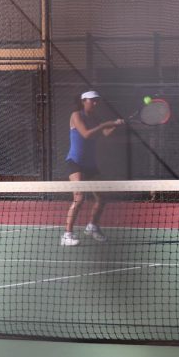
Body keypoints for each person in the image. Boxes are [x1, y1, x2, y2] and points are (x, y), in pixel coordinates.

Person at [61, 90, 124, 246]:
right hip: (75, 162)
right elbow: (86, 134)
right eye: (92, 100)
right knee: (79, 197)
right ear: (84, 101)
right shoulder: (76, 115)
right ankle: (67, 235)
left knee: (102, 198)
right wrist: (105, 124)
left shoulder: (95, 118)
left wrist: (116, 125)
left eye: (97, 101)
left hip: (91, 164)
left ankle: (92, 226)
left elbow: (106, 133)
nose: (95, 103)